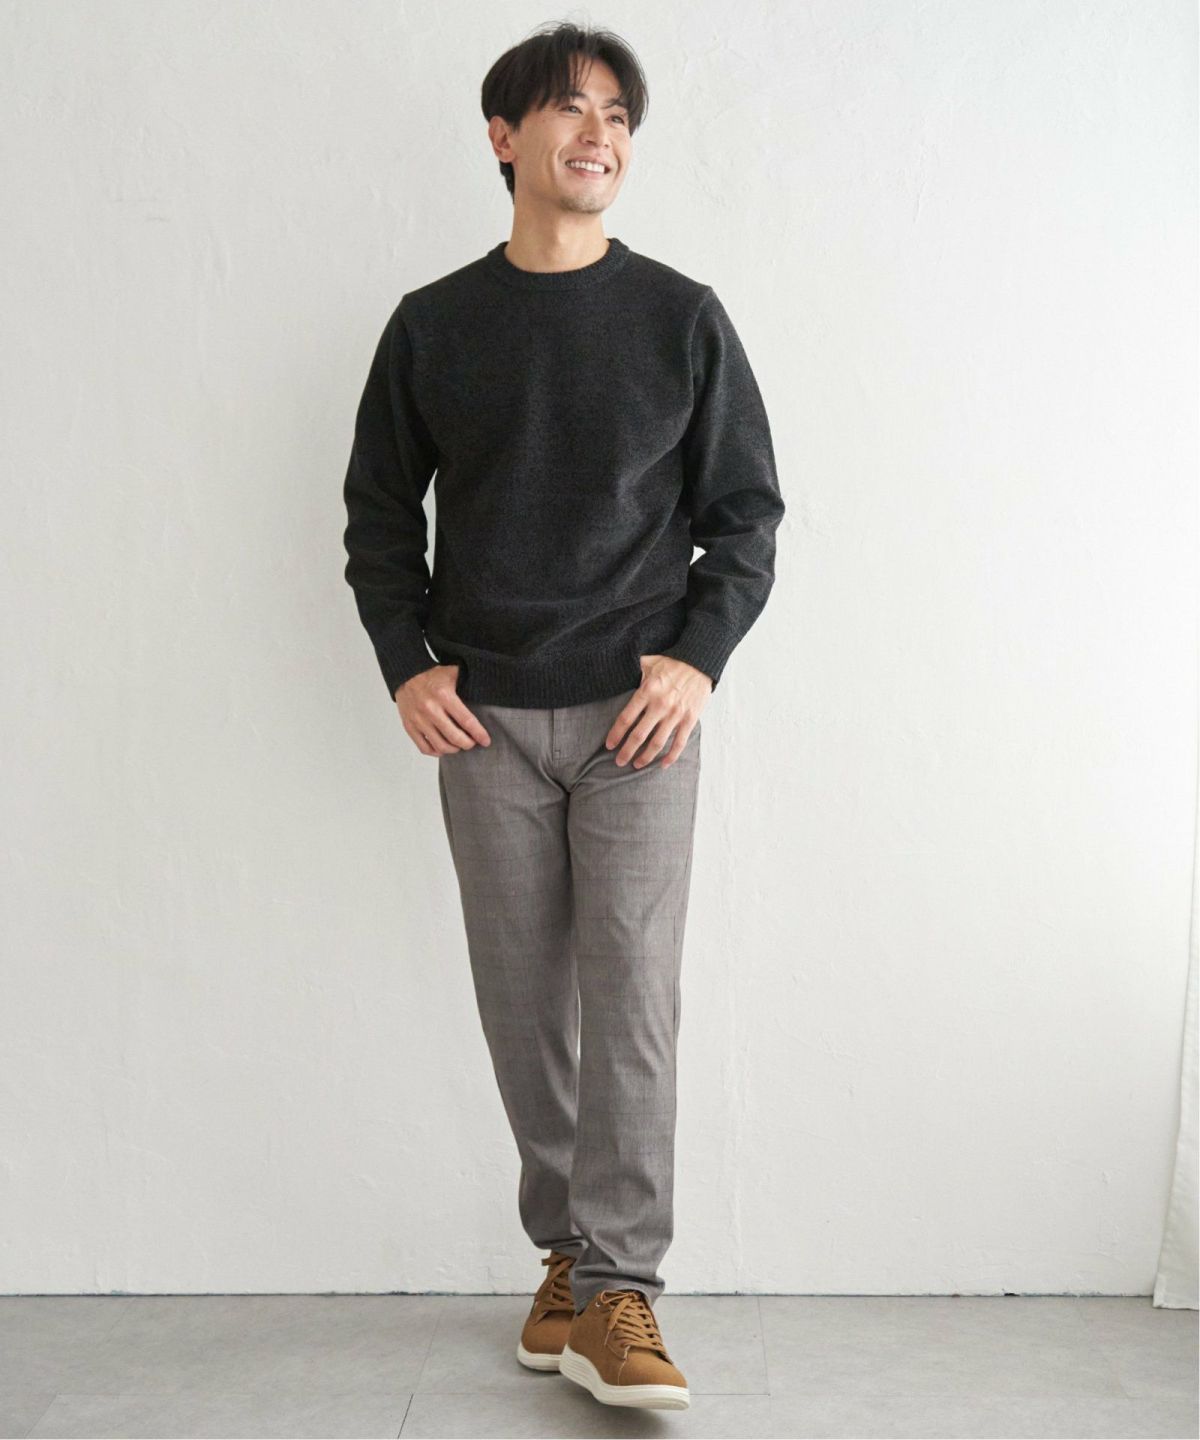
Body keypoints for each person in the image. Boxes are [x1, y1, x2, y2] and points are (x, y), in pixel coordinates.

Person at [341, 19, 784, 1413]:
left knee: (631, 998)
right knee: (525, 1002)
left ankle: (620, 1290)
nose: (599, 135)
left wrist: (696, 662)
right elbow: (376, 517)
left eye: (618, 116)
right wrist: (406, 661)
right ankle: (569, 1261)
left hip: (636, 723)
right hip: (484, 722)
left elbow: (745, 517)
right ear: (504, 137)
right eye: (570, 109)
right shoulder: (433, 325)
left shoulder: (681, 317)